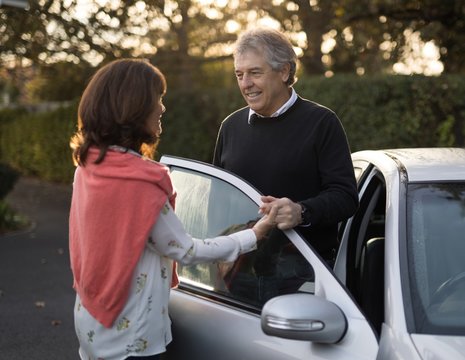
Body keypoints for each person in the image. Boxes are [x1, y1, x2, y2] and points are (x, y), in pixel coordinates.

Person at [68, 58, 277, 360]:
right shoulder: (140, 181)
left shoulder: (89, 166)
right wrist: (254, 235)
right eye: (158, 98)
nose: (162, 108)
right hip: (133, 338)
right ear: (133, 107)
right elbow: (186, 250)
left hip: (91, 321)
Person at [213, 27, 359, 263]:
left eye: (255, 73)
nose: (246, 84)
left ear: (284, 71)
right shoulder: (230, 127)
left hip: (305, 272)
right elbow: (217, 205)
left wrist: (301, 211)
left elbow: (346, 198)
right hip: (238, 274)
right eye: (239, 75)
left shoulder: (322, 123)